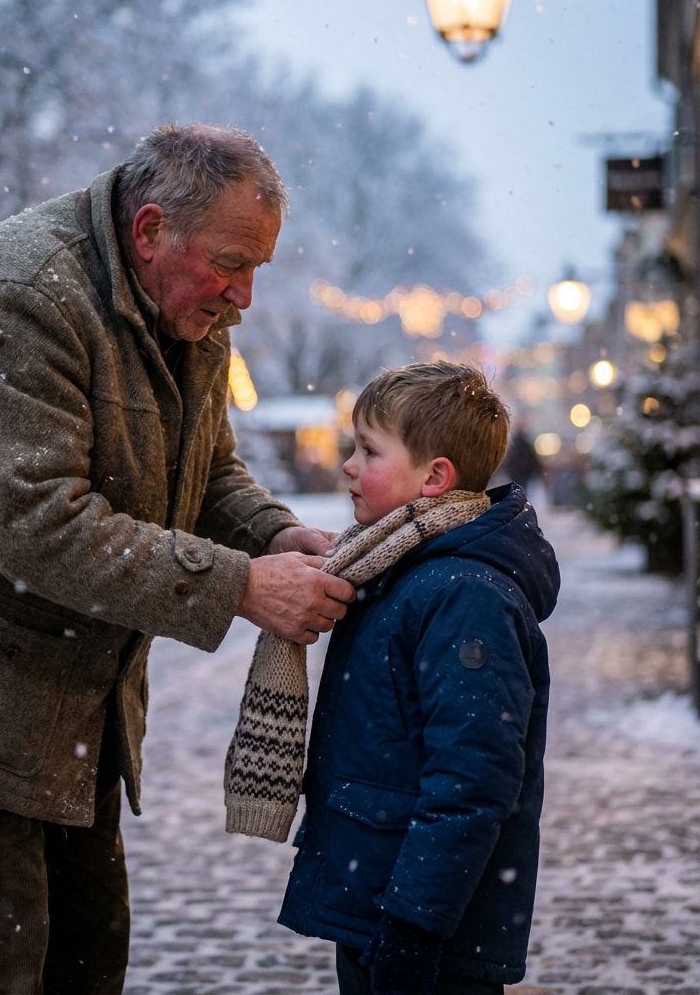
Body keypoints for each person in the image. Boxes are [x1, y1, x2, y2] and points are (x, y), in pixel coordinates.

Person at [0, 122, 355, 994]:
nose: (245, 296)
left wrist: (271, 534)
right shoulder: (14, 298)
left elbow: (205, 466)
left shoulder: (188, 302)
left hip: (72, 707)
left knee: (87, 962)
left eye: (258, 268)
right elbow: (40, 528)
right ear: (149, 231)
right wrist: (243, 588)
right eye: (232, 263)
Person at [227, 361, 559, 995]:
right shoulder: (395, 566)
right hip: (377, 900)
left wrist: (415, 922)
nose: (349, 465)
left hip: (424, 930)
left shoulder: (463, 594)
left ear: (435, 477)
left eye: (369, 451)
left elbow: (473, 779)